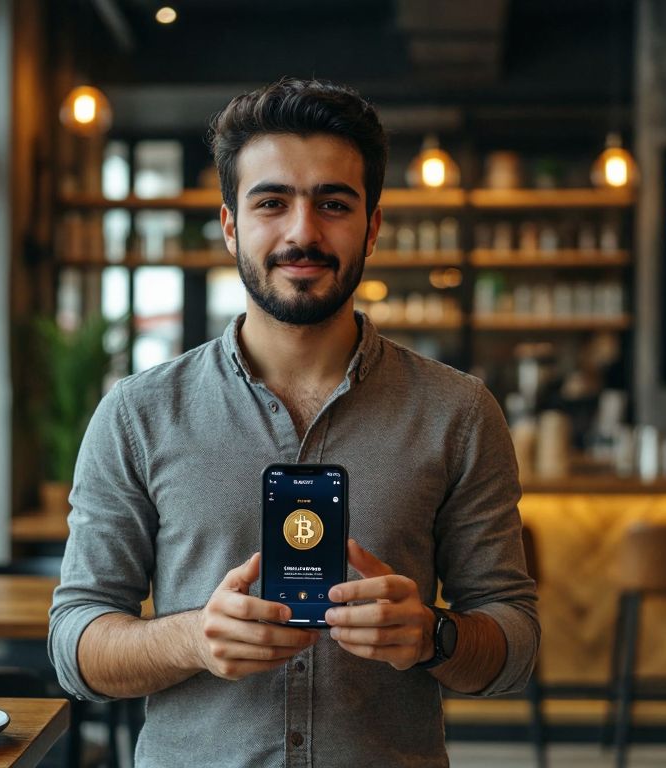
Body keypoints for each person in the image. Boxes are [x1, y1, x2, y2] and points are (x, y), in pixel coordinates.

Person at [49, 78, 537, 767]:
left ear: (371, 225)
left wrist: (434, 635)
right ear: (230, 226)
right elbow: (75, 647)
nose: (302, 232)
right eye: (271, 202)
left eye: (333, 204)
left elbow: (514, 643)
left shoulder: (457, 412)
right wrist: (194, 639)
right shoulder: (138, 414)